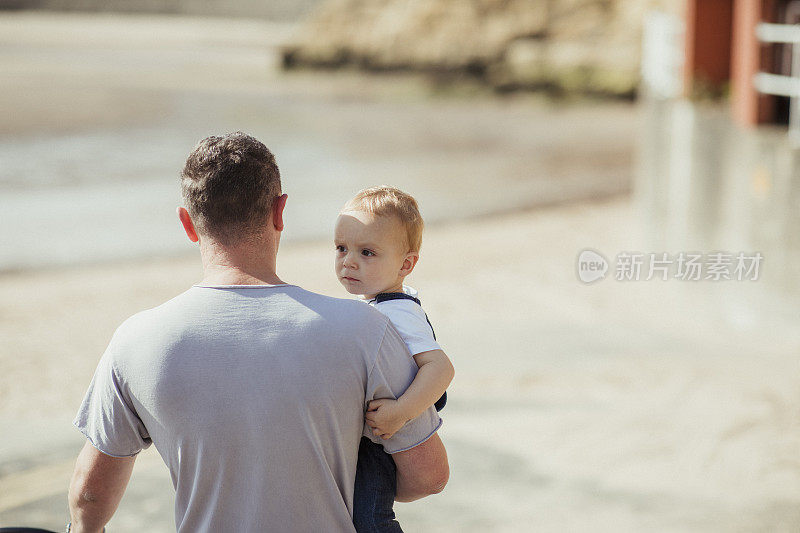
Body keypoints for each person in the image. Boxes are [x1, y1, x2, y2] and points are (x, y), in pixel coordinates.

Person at [67, 132, 449, 533]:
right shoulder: (367, 330)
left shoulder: (135, 340)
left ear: (187, 223)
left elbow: (90, 496)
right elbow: (429, 477)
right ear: (280, 211)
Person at [334, 186, 455, 532]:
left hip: (381, 442)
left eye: (367, 252)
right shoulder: (371, 302)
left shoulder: (399, 311)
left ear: (406, 264)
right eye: (341, 248)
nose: (349, 261)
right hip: (373, 436)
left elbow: (441, 368)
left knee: (371, 520)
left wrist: (401, 412)